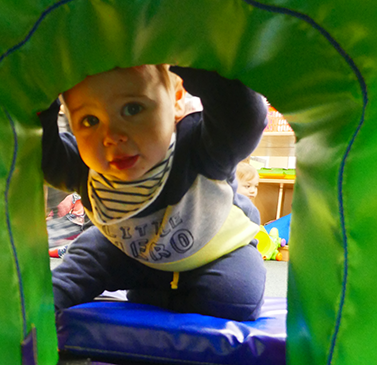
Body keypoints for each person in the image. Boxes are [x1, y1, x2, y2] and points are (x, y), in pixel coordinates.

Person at [39, 64, 268, 321]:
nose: (112, 136)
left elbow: (243, 118)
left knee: (235, 296)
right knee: (64, 280)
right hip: (128, 252)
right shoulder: (84, 166)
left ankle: (153, 295)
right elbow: (40, 150)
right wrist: (40, 98)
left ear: (177, 101)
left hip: (214, 250)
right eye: (90, 121)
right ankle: (151, 289)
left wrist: (192, 64)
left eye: (133, 108)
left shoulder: (200, 148)